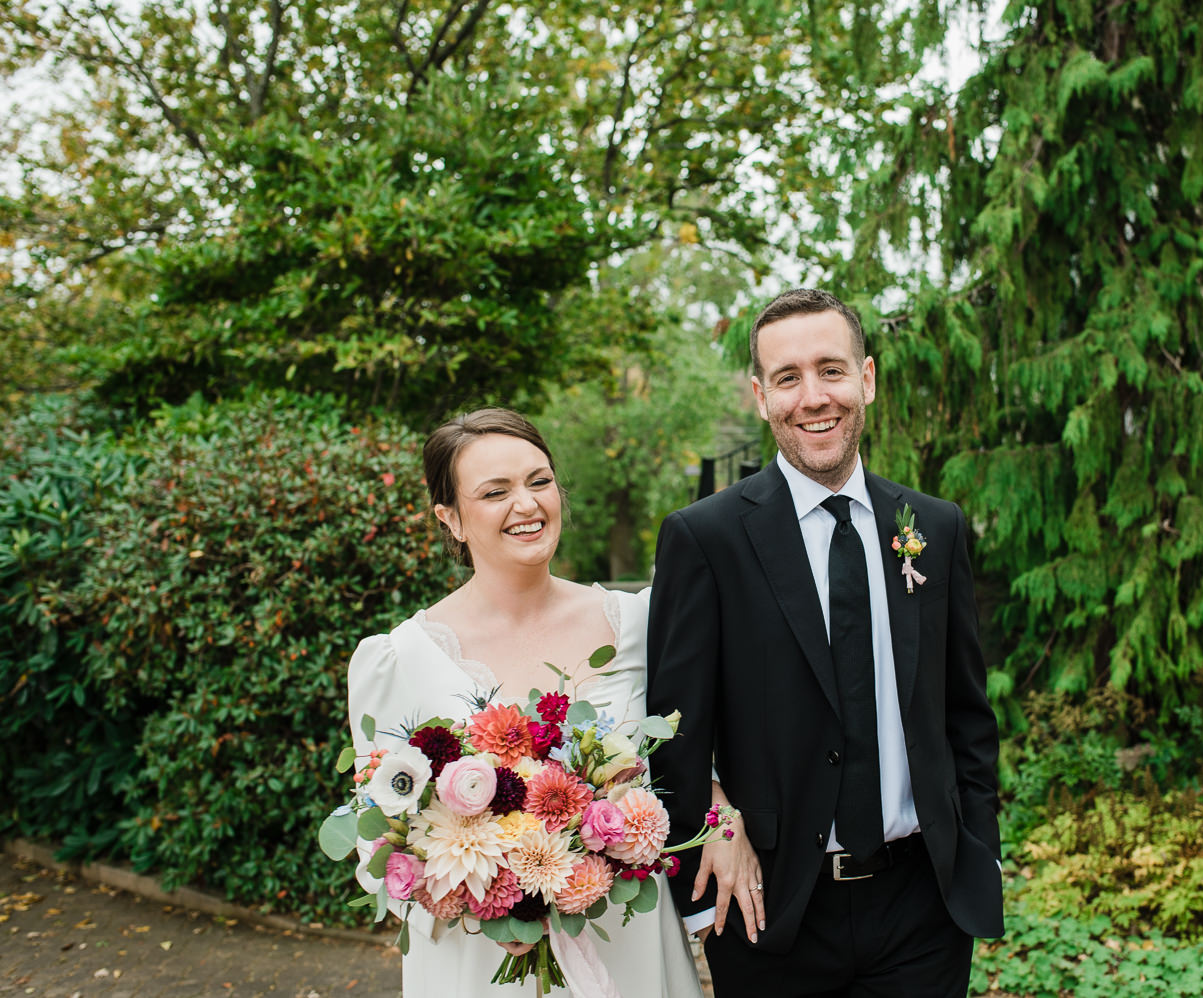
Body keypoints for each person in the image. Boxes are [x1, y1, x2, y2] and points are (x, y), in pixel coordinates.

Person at [647, 288, 1006, 996]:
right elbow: (675, 733)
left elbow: (966, 714)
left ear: (866, 379)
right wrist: (715, 827)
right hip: (772, 914)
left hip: (923, 913)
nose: (814, 397)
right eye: (788, 378)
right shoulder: (706, 538)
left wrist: (978, 856)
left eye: (831, 371)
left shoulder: (933, 524)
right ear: (760, 396)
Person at [345, 408, 704, 997]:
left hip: (624, 941)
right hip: (478, 959)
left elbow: (696, 762)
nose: (527, 504)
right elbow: (377, 838)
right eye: (495, 492)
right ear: (451, 519)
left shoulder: (641, 625)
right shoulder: (400, 658)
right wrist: (474, 901)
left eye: (539, 481)